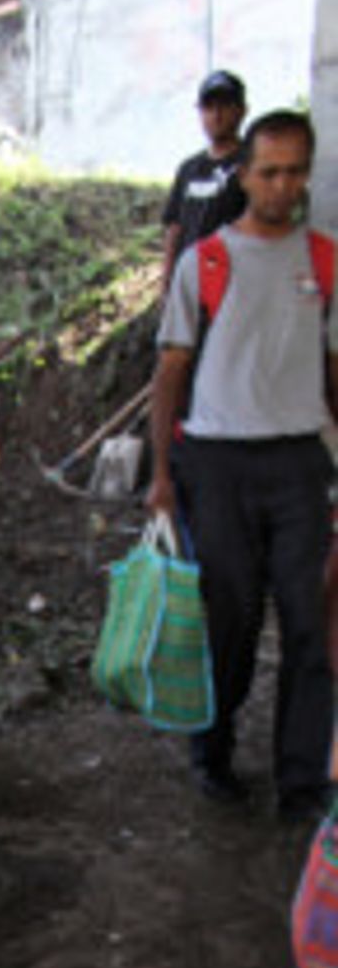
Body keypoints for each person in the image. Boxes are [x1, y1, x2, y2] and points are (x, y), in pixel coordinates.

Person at [148, 109, 336, 819]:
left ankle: (301, 781)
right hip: (217, 466)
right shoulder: (207, 262)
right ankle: (213, 753)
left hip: (298, 465)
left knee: (309, 628)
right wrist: (163, 476)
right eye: (269, 171)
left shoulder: (325, 261)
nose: (282, 184)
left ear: (307, 173)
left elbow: (333, 368)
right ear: (245, 174)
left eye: (294, 170)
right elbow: (170, 373)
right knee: (230, 623)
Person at [161, 71, 248, 298]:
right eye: (208, 107)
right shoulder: (188, 168)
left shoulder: (253, 165)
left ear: (241, 110)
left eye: (224, 106)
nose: (216, 115)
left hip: (233, 288)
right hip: (189, 286)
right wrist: (167, 284)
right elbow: (174, 229)